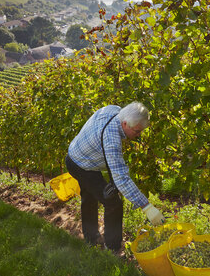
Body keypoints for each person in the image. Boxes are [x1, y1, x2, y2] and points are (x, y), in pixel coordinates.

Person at [65, 102, 165, 254]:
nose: (139, 135)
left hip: (80, 156)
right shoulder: (112, 138)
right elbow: (121, 179)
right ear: (125, 124)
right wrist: (147, 206)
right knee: (113, 202)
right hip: (80, 164)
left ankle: (91, 238)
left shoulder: (115, 111)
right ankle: (113, 249)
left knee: (90, 195)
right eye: (137, 131)